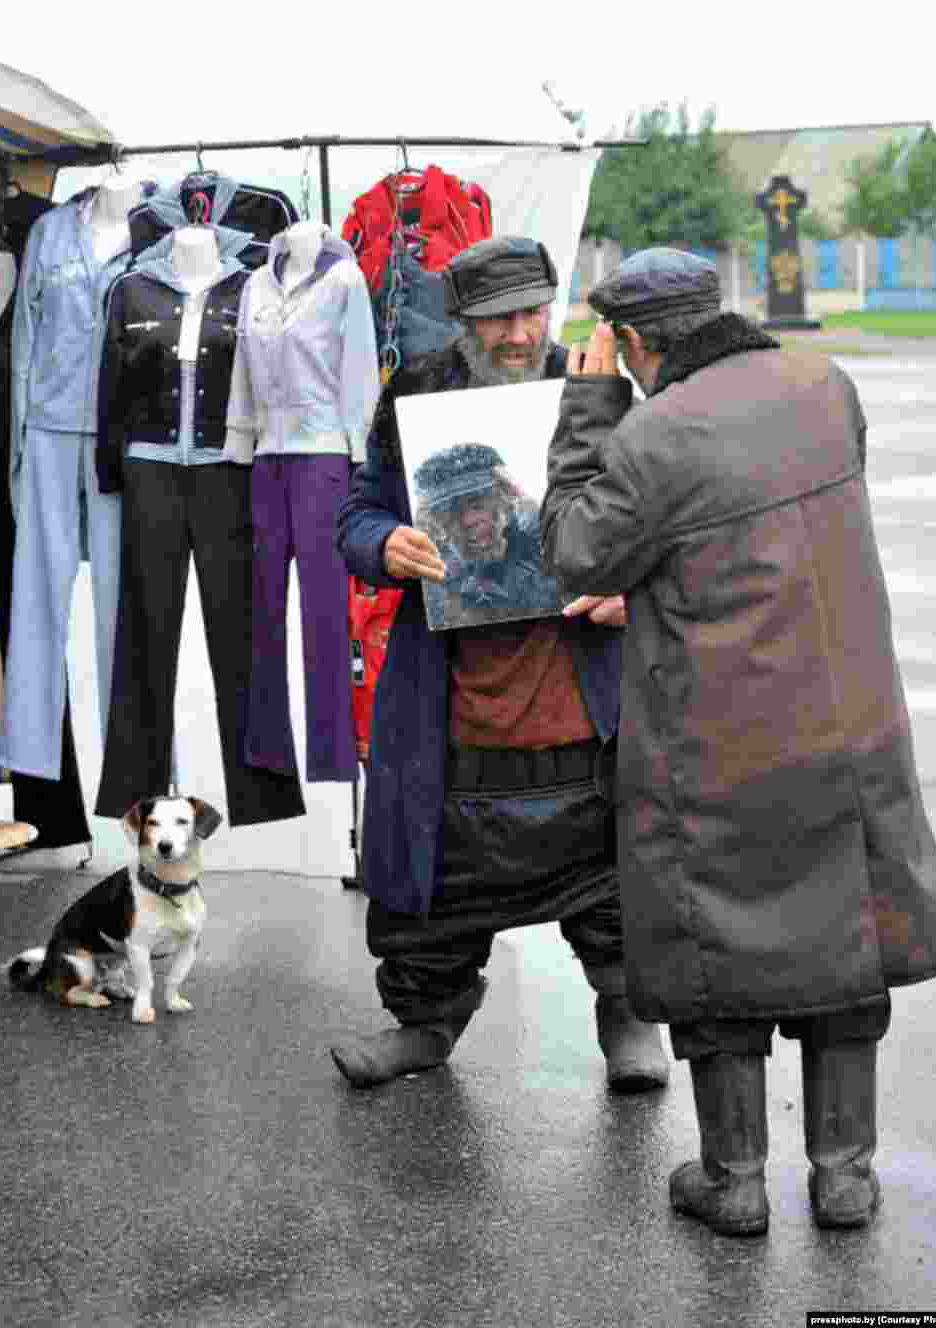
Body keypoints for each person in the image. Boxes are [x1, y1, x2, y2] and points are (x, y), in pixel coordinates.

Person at [540, 247, 936, 1235]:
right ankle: (844, 1174)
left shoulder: (650, 436)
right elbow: (760, 528)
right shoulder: (827, 383)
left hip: (716, 742)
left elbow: (572, 544)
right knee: (840, 940)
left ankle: (734, 1179)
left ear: (634, 342)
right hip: (845, 718)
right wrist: (657, 586)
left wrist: (587, 414)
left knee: (715, 943)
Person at [331, 235, 669, 1092]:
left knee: (614, 861)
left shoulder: (598, 385)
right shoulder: (414, 390)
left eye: (530, 311)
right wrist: (385, 543)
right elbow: (357, 513)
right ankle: (424, 1021)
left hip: (577, 680)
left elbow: (659, 515)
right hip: (458, 690)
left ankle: (629, 1016)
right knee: (437, 871)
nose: (518, 333)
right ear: (463, 320)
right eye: (496, 317)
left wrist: (634, 587)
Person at [413, 442, 564, 629]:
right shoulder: (439, 580)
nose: (467, 521)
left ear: (502, 502)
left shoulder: (540, 550)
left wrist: (525, 500)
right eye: (453, 512)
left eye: (477, 505)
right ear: (441, 523)